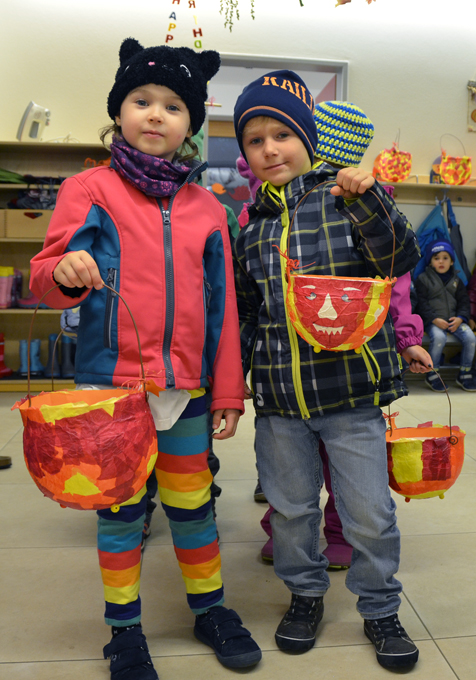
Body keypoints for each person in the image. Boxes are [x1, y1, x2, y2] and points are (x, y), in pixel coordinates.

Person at [29, 39, 261, 680]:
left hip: (186, 390)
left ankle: (210, 609)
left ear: (191, 125)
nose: (156, 113)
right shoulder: (87, 190)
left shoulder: (210, 209)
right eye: (141, 100)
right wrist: (65, 270)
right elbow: (45, 276)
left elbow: (223, 309)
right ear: (119, 111)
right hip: (113, 390)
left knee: (193, 507)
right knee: (121, 513)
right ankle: (124, 630)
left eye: (173, 106)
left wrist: (227, 391)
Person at [232, 73, 421, 671]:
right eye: (255, 140)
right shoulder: (250, 229)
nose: (269, 149)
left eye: (282, 134)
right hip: (280, 403)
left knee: (369, 514)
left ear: (308, 139)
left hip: (351, 398)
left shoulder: (345, 200)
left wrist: (371, 200)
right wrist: (235, 383)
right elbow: (248, 313)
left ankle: (381, 608)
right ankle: (305, 596)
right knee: (291, 512)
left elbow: (401, 257)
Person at [415, 239, 476, 392]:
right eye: (436, 258)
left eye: (445, 258)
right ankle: (433, 373)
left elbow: (464, 302)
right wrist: (434, 319)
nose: (441, 261)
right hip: (434, 322)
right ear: (430, 262)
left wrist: (461, 318)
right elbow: (421, 304)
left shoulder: (457, 280)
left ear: (452, 261)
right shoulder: (423, 279)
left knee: (470, 338)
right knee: (439, 338)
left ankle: (465, 373)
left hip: (455, 321)